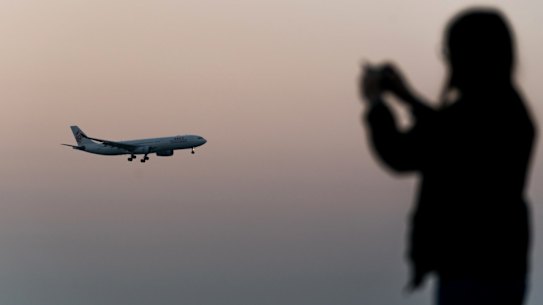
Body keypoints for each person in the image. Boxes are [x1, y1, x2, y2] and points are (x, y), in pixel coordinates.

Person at [360, 8, 537, 305]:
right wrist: (407, 97)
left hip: (468, 273)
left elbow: (402, 153)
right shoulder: (512, 111)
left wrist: (376, 105)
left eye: (448, 51)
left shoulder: (468, 116)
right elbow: (448, 135)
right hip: (505, 269)